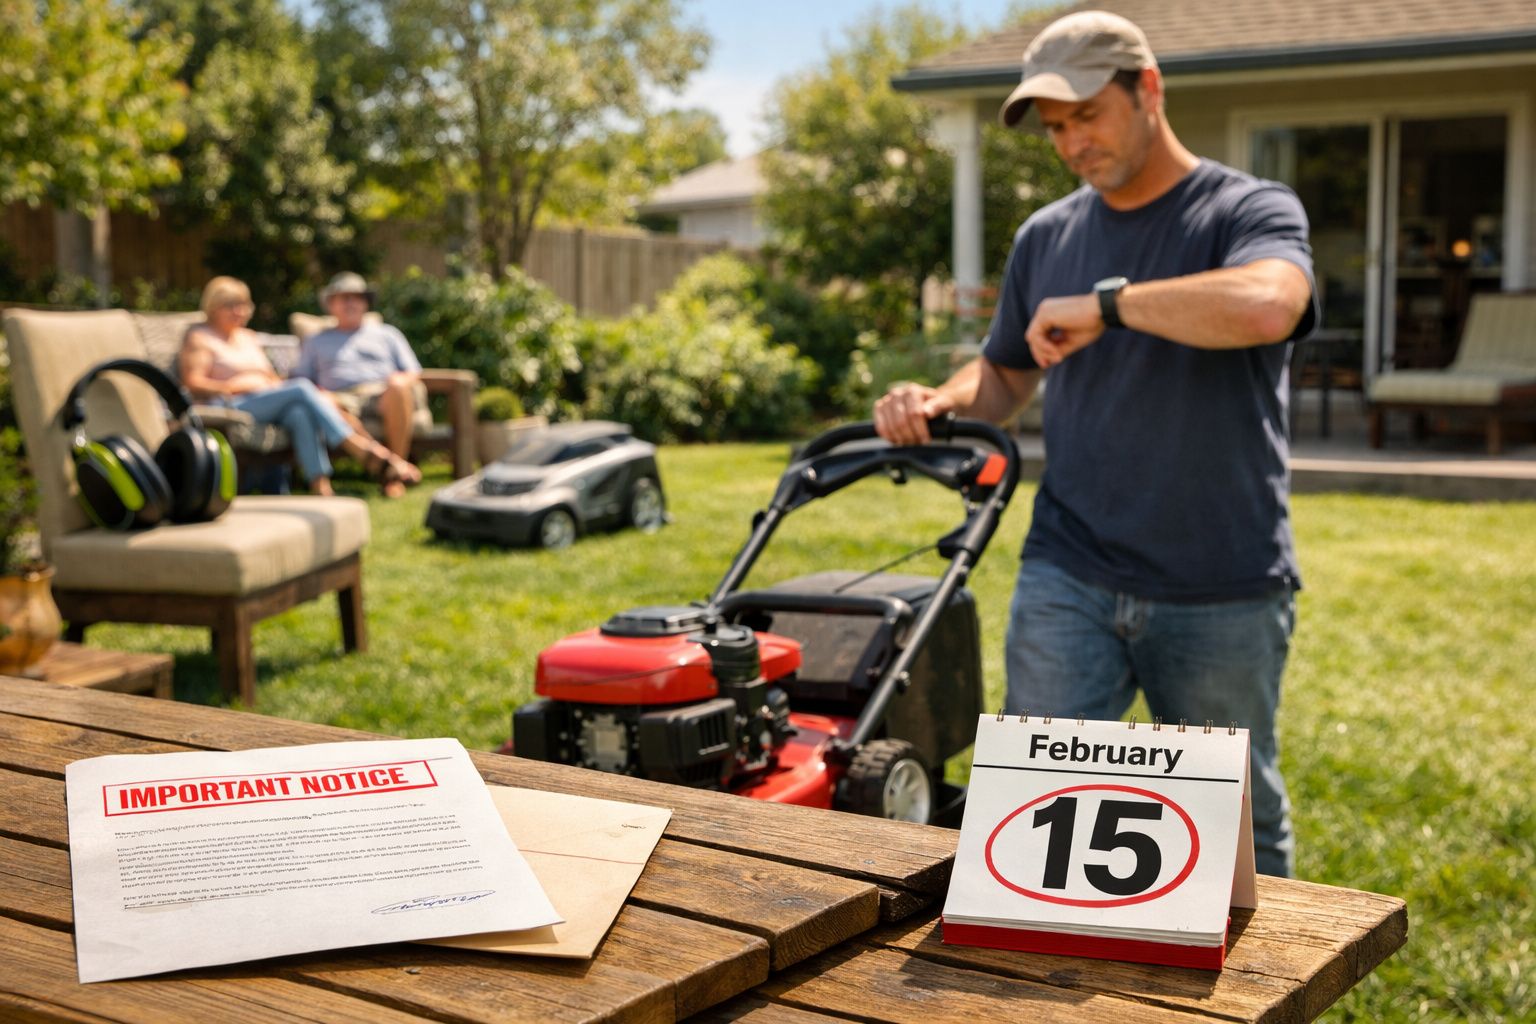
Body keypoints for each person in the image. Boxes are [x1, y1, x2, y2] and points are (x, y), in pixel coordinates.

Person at [874, 11, 1316, 878]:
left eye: (1088, 116)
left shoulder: (1247, 209)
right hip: (1068, 570)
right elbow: (1004, 375)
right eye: (1056, 128)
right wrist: (941, 397)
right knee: (1038, 805)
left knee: (1239, 827)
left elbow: (1270, 305)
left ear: (1148, 91)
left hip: (1219, 579)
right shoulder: (1047, 235)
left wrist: (1109, 303)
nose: (1073, 142)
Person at [179, 276, 422, 498]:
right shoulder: (200, 338)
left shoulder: (248, 337)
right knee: (302, 388)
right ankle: (361, 449)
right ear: (213, 306)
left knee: (299, 412)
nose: (239, 311)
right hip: (229, 404)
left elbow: (271, 377)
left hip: (263, 400)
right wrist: (230, 387)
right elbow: (193, 383)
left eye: (244, 305)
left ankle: (320, 486)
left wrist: (269, 382)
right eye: (231, 305)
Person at [292, 272, 423, 497]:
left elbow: (413, 371)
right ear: (331, 305)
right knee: (321, 400)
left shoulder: (388, 334)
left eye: (356, 297)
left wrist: (400, 380)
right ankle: (392, 468)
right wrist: (321, 393)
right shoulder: (316, 340)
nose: (350, 303)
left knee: (400, 388)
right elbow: (301, 379)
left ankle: (393, 475)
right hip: (339, 398)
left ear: (365, 303)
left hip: (380, 393)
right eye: (344, 298)